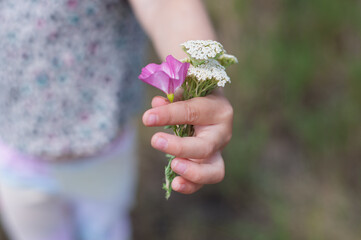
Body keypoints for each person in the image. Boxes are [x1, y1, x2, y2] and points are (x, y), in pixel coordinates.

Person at [0, 0, 233, 239]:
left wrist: (203, 78)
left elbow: (166, 5)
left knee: (105, 229)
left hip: (106, 152)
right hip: (16, 156)